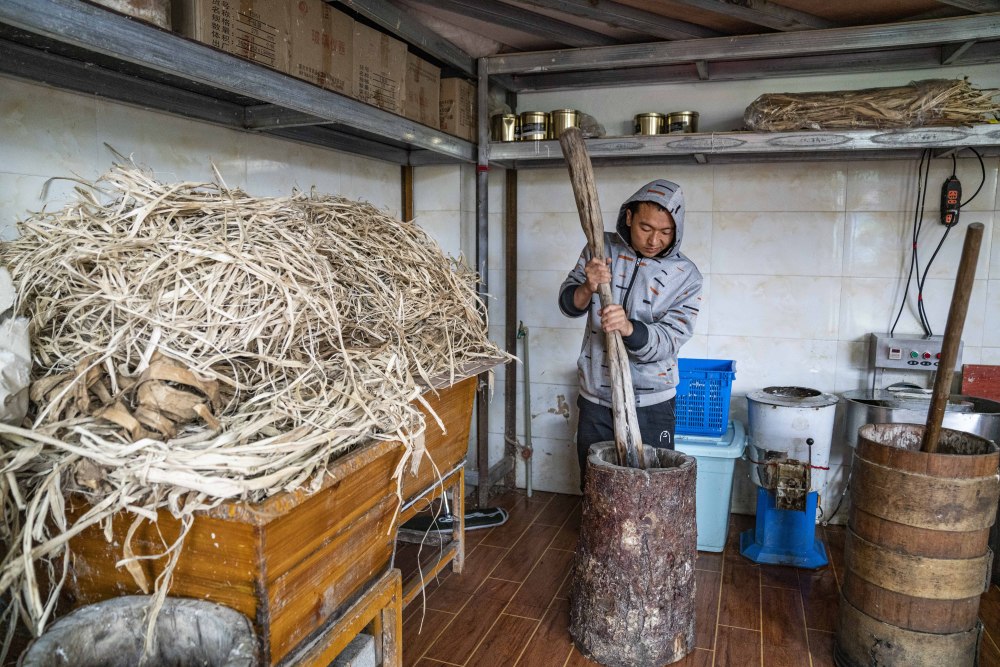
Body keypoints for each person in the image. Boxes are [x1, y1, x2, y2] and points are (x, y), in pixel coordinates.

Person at [558, 179, 703, 485]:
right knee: (597, 488)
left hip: (651, 403)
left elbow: (670, 339)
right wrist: (588, 286)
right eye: (646, 228)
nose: (654, 240)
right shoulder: (600, 249)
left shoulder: (686, 276)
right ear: (628, 217)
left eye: (666, 232)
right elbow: (568, 304)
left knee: (651, 492)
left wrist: (627, 327)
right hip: (597, 397)